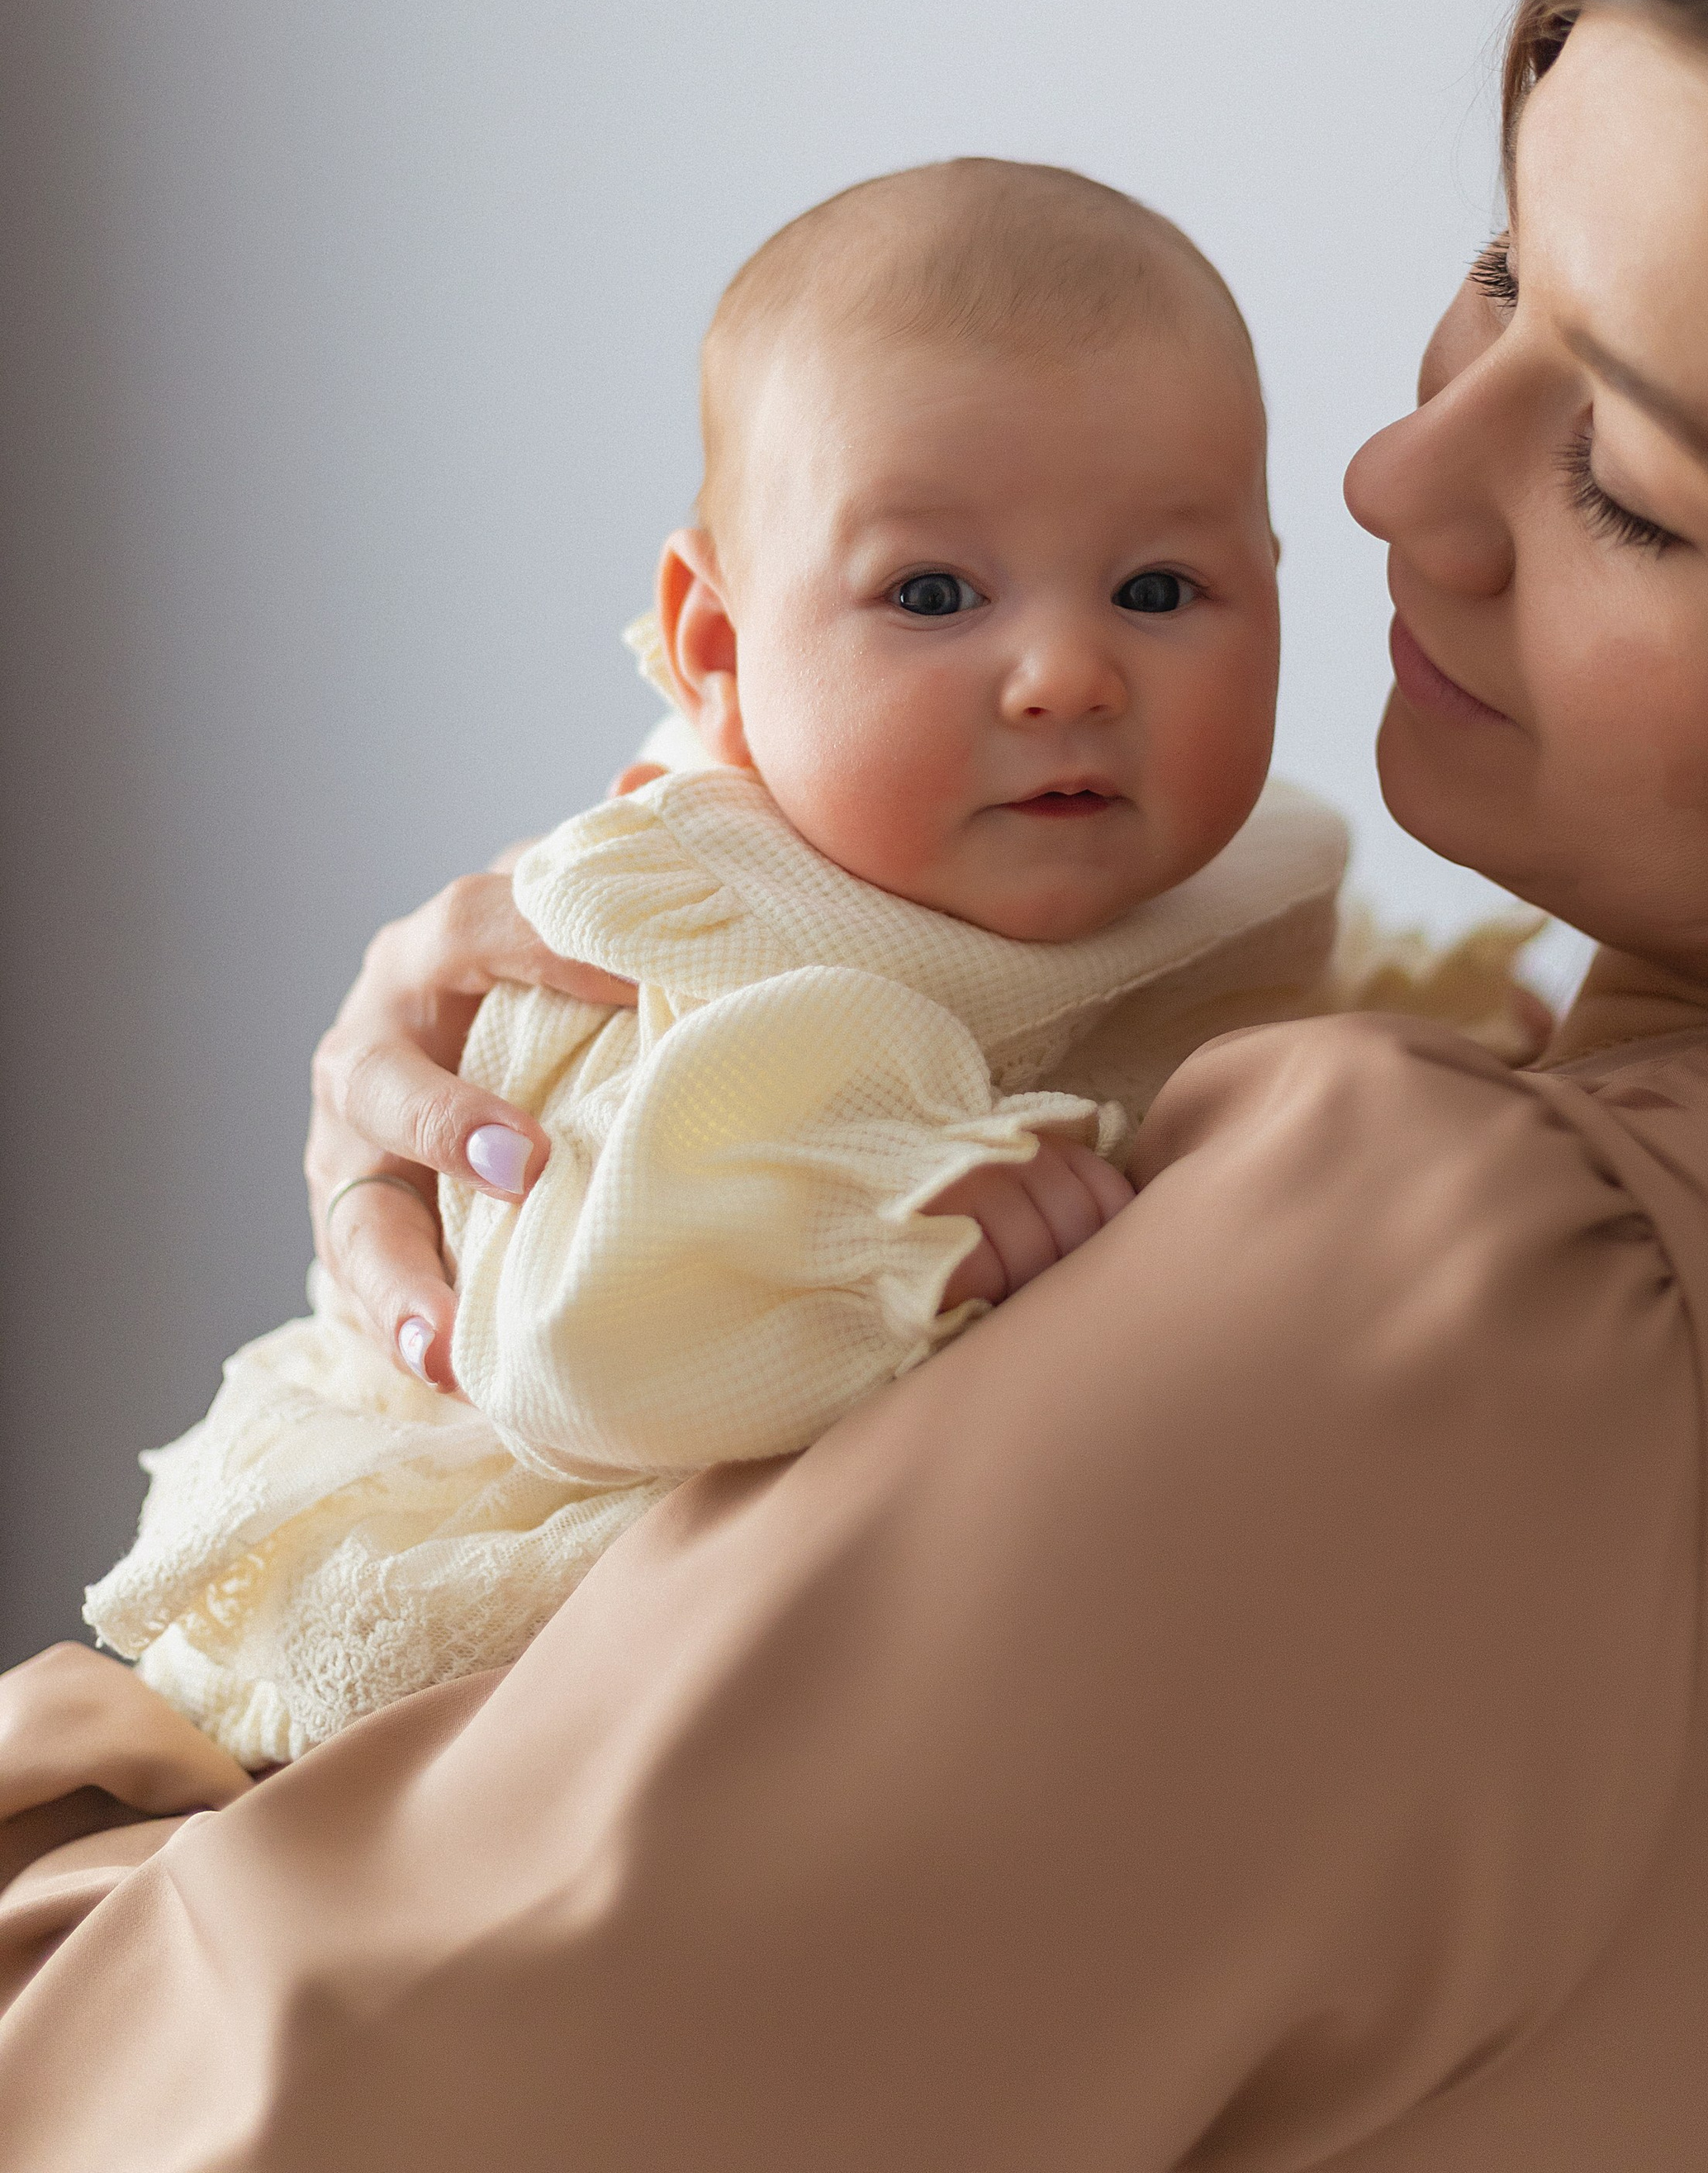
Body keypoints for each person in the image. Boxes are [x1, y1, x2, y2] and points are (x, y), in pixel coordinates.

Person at [1, 0, 1708, 2171]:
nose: (1394, 482)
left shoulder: (1465, 1313)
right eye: (1504, 267)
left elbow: (239, 2116)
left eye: (1629, 486)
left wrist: (174, 1695)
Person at [82, 161, 1513, 1766]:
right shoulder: (679, 923)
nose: (1063, 671)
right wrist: (871, 1233)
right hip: (549, 1567)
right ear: (713, 644)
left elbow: (1255, 982)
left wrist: (1458, 1019)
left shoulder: (1240, 853)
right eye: (930, 594)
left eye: (1158, 588)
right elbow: (566, 1341)